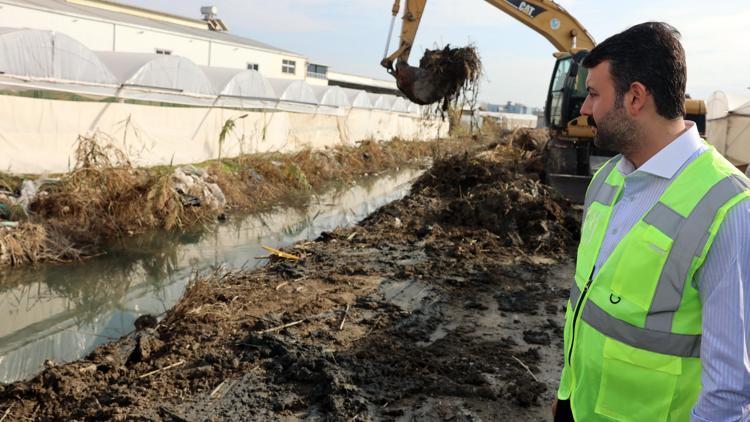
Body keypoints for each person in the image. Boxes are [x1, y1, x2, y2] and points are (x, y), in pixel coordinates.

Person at [553, 22, 750, 421]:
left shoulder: (729, 208)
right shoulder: (607, 179)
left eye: (593, 94)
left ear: (636, 97)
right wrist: (566, 397)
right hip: (579, 405)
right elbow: (588, 303)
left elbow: (729, 392)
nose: (585, 108)